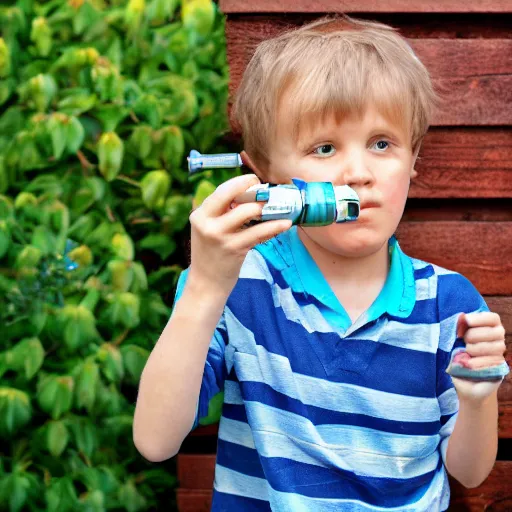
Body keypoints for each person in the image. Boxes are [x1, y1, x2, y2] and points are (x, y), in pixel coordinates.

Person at [133, 15, 509, 511]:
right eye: (325, 148)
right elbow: (155, 441)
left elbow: (470, 471)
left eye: (382, 144)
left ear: (414, 159)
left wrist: (477, 397)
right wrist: (204, 286)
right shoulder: (237, 281)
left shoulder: (448, 304)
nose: (358, 174)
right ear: (266, 175)